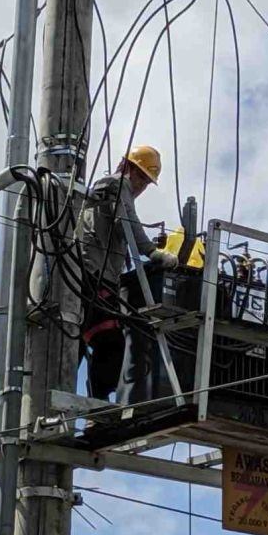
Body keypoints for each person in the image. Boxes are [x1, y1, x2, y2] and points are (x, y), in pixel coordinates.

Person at [79, 145, 178, 401]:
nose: (141, 187)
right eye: (141, 177)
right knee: (110, 343)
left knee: (78, 342)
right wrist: (153, 253)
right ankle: (97, 406)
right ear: (127, 168)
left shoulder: (108, 190)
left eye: (147, 182)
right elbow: (127, 222)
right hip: (93, 276)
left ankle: (90, 404)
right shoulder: (116, 184)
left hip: (94, 277)